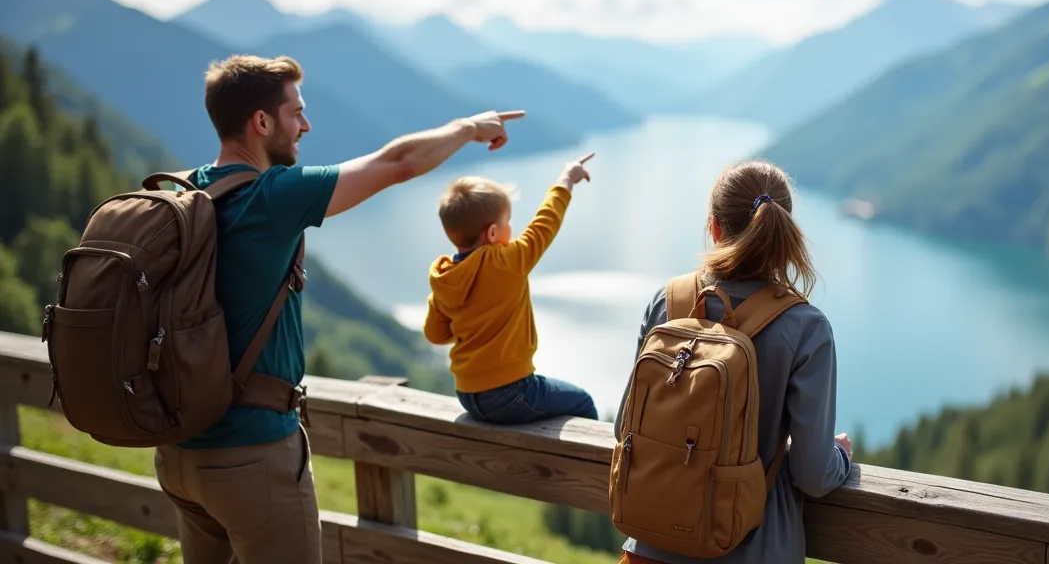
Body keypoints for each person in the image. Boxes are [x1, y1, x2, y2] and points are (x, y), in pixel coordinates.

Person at [151, 53, 526, 563]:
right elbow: (397, 163)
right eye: (295, 112)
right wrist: (468, 127)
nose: (306, 125)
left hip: (177, 453)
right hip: (251, 456)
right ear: (261, 122)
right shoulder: (273, 196)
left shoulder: (186, 190)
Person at [613, 159, 853, 564]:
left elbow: (625, 427)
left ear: (715, 228)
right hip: (752, 550)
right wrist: (841, 455)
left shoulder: (668, 302)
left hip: (650, 550)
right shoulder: (805, 328)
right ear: (783, 230)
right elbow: (813, 475)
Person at [422, 152, 600, 424]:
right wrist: (566, 179)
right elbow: (545, 223)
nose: (511, 227)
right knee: (583, 403)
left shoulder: (444, 277)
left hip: (467, 394)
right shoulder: (507, 261)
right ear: (492, 233)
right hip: (513, 392)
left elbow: (436, 334)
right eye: (508, 220)